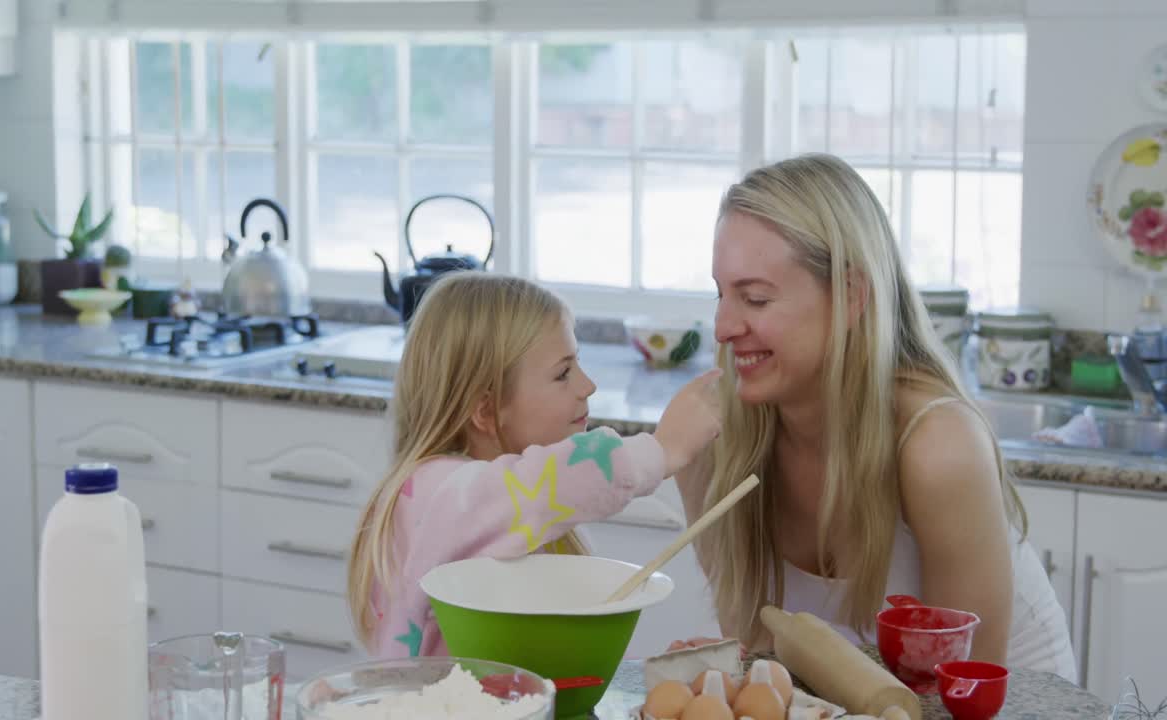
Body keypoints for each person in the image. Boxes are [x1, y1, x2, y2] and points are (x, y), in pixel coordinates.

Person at [670, 153, 1075, 680]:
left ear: (851, 296)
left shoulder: (936, 444)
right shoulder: (711, 439)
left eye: (756, 299)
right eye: (721, 294)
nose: (723, 327)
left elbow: (962, 691)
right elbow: (766, 663)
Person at [346, 271, 722, 658]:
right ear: (486, 409)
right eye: (563, 373)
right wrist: (661, 450)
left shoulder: (518, 516)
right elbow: (561, 478)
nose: (588, 385)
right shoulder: (438, 491)